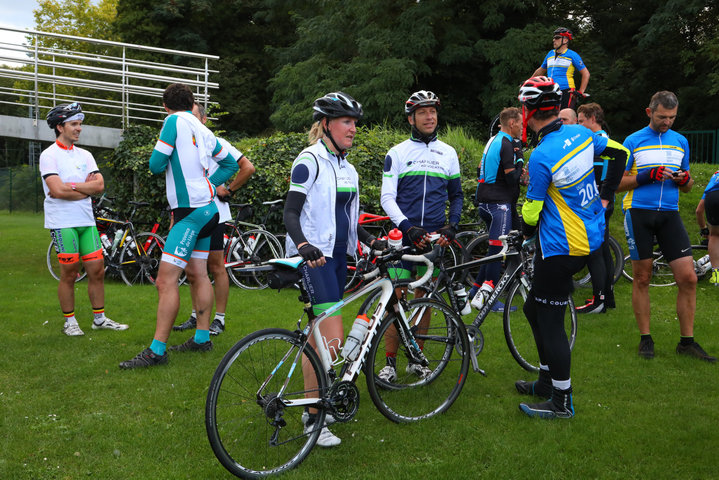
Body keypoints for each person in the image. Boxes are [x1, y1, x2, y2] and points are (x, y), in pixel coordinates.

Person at [513, 77, 627, 419]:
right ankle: (547, 382)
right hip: (587, 237)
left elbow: (532, 210)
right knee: (534, 311)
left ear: (529, 112)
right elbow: (620, 152)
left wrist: (525, 234)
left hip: (562, 246)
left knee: (550, 321)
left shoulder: (541, 155)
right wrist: (606, 194)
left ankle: (562, 401)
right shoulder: (579, 132)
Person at [284, 92, 385, 447]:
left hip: (340, 259)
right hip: (315, 258)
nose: (353, 129)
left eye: (355, 123)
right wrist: (303, 246)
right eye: (346, 122)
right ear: (325, 124)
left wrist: (373, 242)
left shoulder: (349, 168)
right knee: (332, 338)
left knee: (319, 340)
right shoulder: (308, 161)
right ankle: (314, 418)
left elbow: (353, 220)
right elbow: (290, 212)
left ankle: (311, 407)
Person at [119, 83, 238, 369]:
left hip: (190, 213)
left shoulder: (172, 121)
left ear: (165, 106)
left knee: (165, 280)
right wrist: (209, 184)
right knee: (198, 274)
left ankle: (157, 351)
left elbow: (156, 164)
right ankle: (201, 337)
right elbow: (231, 164)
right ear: (192, 102)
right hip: (210, 211)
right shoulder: (202, 127)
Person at [617, 91, 716, 362]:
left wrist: (684, 180)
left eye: (672, 117)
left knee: (689, 278)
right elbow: (616, 184)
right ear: (649, 112)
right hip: (639, 212)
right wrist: (647, 176)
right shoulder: (632, 141)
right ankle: (645, 339)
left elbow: (688, 187)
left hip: (670, 214)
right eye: (662, 117)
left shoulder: (680, 141)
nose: (667, 122)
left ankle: (687, 342)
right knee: (642, 278)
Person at [378, 90, 464, 381]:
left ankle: (417, 358)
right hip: (403, 238)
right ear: (411, 118)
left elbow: (457, 195)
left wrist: (451, 226)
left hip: (433, 240)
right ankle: (389, 362)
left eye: (433, 112)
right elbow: (387, 198)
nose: (430, 117)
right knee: (395, 300)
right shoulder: (398, 152)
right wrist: (407, 227)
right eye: (423, 112)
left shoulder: (448, 153)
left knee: (424, 298)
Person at [40, 102, 129, 336]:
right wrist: (85, 189)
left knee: (97, 270)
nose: (79, 128)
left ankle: (99, 319)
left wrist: (72, 186)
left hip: (86, 221)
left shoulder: (86, 155)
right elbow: (56, 191)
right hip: (63, 222)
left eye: (80, 124)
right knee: (70, 273)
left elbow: (99, 185)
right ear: (60, 127)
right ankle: (70, 322)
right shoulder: (49, 155)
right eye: (74, 124)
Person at [173, 102, 256, 336]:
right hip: (191, 213)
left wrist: (228, 190)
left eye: (194, 116)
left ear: (204, 120)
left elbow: (247, 167)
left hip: (215, 215)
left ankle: (219, 319)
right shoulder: (183, 146)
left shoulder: (217, 143)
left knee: (215, 266)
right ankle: (196, 315)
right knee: (192, 268)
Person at [469, 107, 525, 311]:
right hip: (498, 203)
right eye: (520, 123)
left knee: (493, 250)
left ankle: (475, 290)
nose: (522, 127)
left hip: (485, 200)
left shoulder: (493, 140)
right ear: (512, 123)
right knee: (498, 251)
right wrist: (520, 162)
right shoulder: (507, 144)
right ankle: (489, 299)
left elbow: (480, 169)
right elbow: (511, 177)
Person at [575, 102, 619, 313]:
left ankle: (599, 300)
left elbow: (606, 174)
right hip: (602, 201)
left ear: (593, 119)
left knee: (596, 252)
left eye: (581, 121)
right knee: (603, 251)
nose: (579, 125)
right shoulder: (603, 140)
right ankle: (607, 298)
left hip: (599, 202)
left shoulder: (599, 142)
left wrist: (603, 199)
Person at [532, 27, 589, 111]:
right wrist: (528, 82)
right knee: (552, 118)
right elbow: (541, 70)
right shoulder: (550, 53)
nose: (554, 40)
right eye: (554, 38)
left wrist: (580, 91)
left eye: (557, 38)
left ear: (565, 40)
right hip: (551, 90)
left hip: (566, 90)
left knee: (565, 118)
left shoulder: (572, 55)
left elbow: (586, 73)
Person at [695, 169, 719, 285]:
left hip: (712, 197)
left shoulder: (715, 175)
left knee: (714, 236)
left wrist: (704, 229)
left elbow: (699, 211)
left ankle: (716, 275)